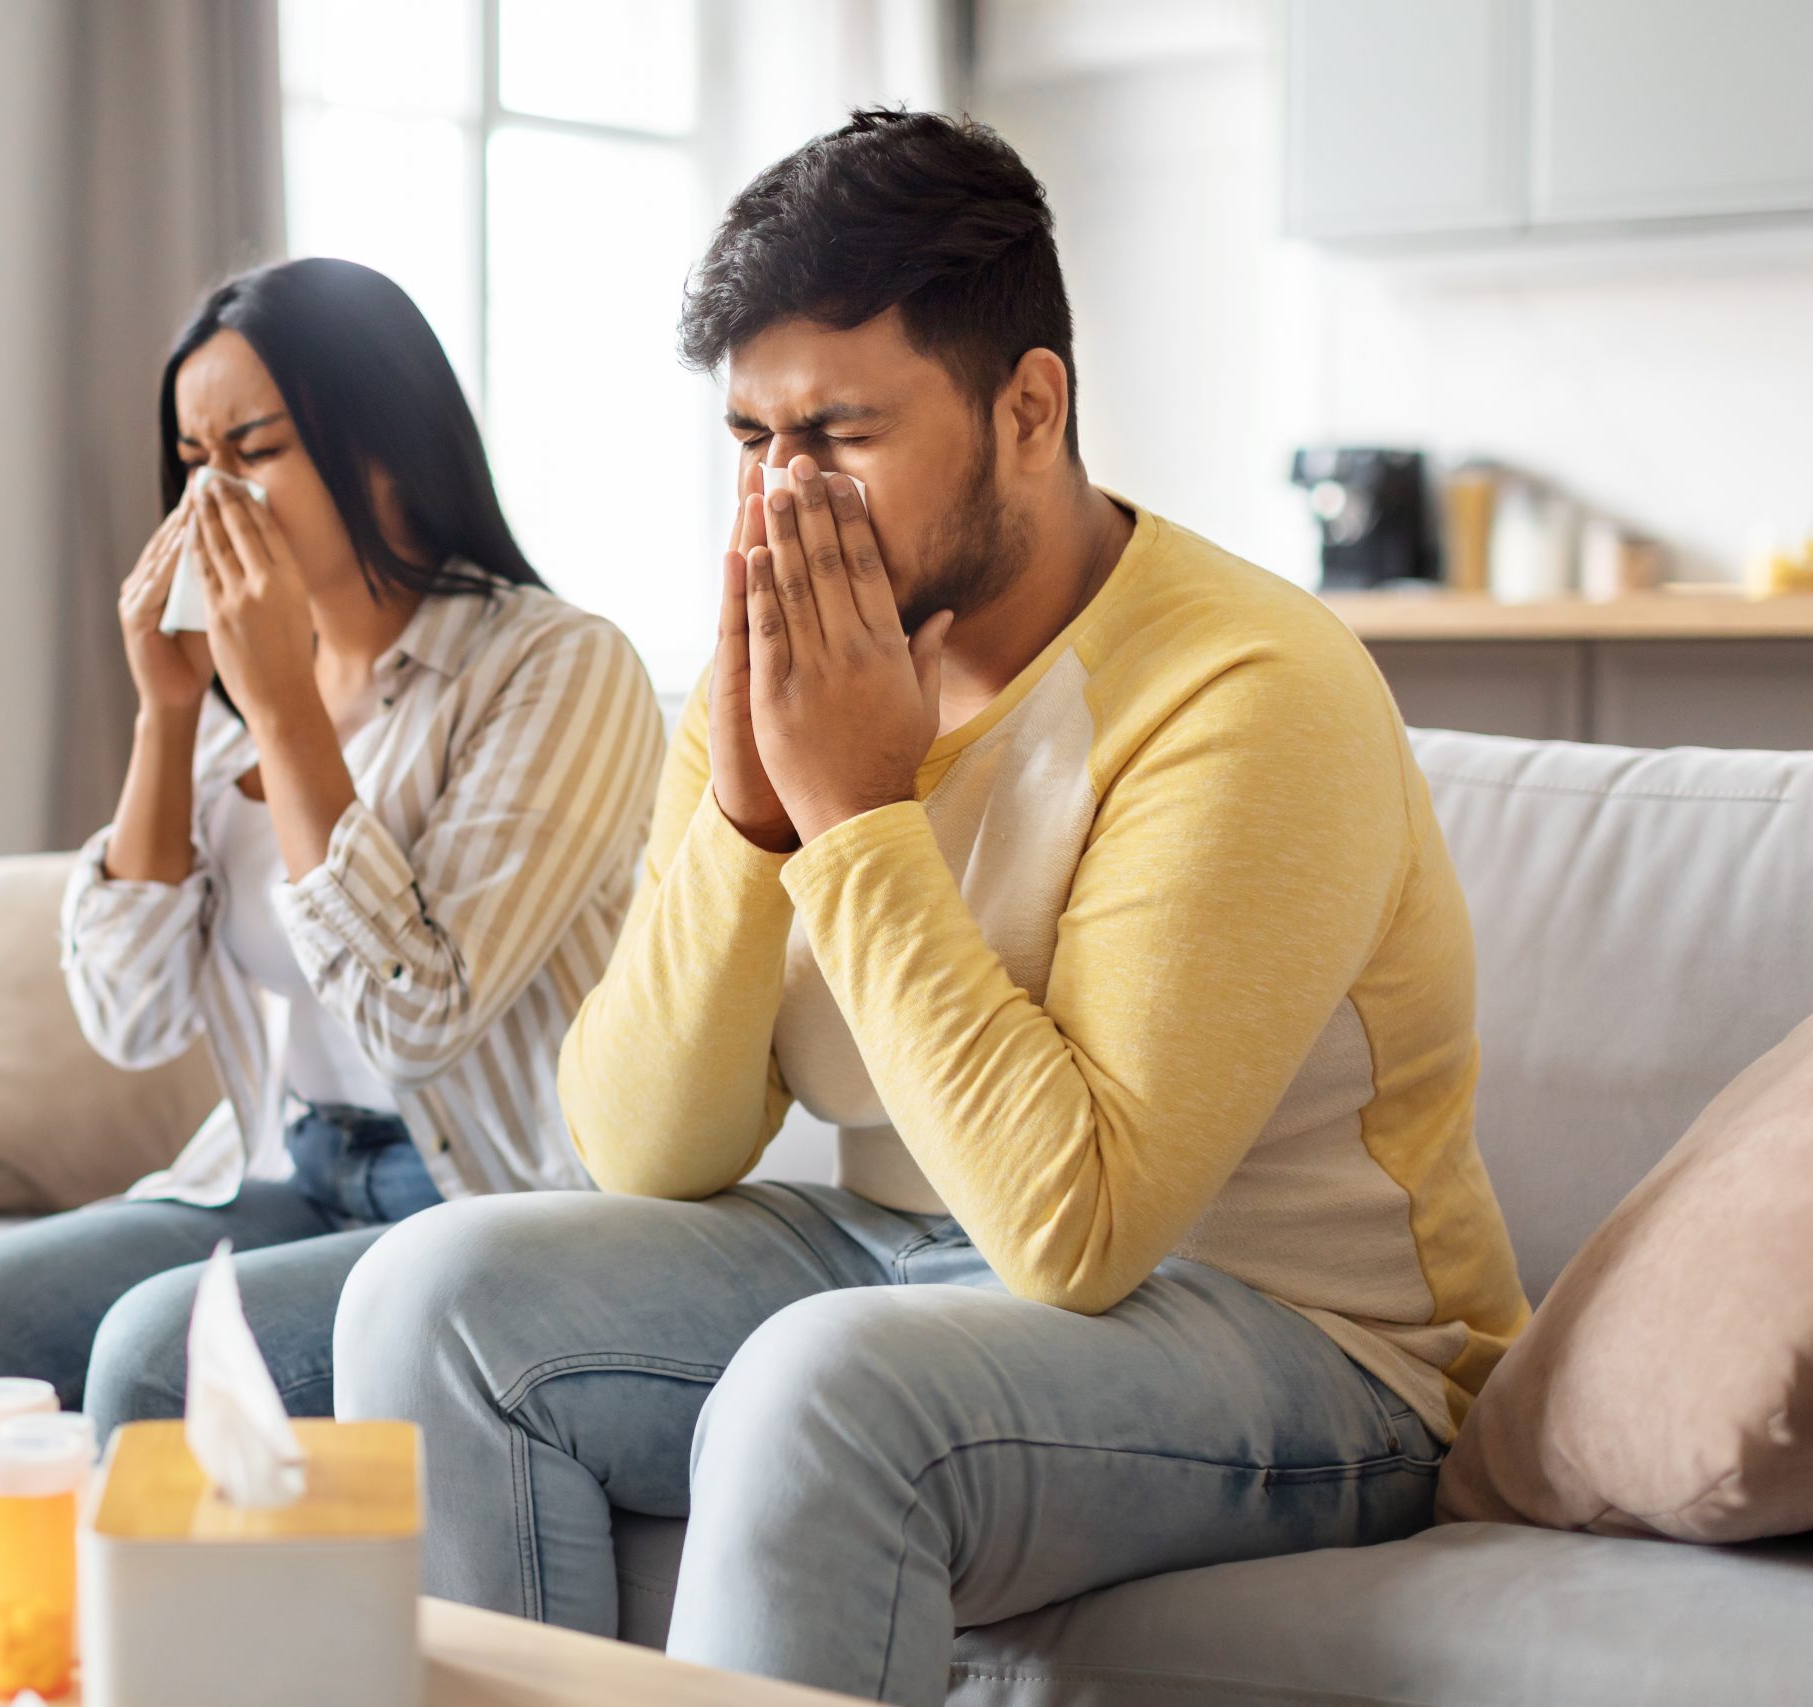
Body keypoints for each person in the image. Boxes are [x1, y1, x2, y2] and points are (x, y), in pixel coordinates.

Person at [331, 111, 1531, 1705]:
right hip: (909, 1247)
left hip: (1317, 1348)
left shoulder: (1252, 688)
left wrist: (855, 812)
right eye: (752, 440)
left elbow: (1076, 1228)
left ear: (1029, 407)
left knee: (822, 1387)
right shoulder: (781, 662)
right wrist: (754, 818)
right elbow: (644, 1147)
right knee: (431, 1290)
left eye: (836, 433)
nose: (781, 503)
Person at [0, 258, 661, 1476]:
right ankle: (1, 1662)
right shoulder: (241, 696)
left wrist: (287, 706)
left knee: (156, 1353)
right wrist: (169, 713)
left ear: (388, 444)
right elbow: (132, 1017)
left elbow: (423, 1015)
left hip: (488, 1211)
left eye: (253, 449)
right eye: (192, 462)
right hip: (303, 1172)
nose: (213, 501)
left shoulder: (557, 669)